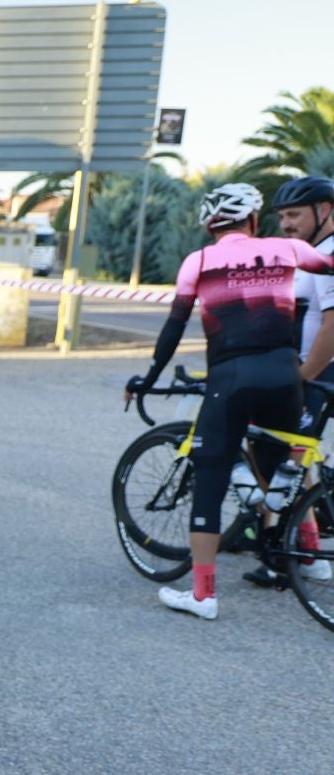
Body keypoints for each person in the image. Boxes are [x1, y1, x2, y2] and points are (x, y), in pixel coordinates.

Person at [126, 183, 334, 619]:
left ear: (209, 223)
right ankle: (304, 553)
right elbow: (330, 265)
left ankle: (203, 596)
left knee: (212, 475)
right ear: (253, 220)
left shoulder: (198, 261)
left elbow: (174, 327)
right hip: (285, 377)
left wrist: (148, 378)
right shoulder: (284, 249)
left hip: (231, 377)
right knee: (283, 463)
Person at [255, 174, 334, 588]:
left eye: (294, 214)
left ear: (325, 211)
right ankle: (295, 548)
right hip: (300, 369)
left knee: (281, 458)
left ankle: (300, 555)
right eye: (282, 215)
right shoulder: (312, 252)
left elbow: (332, 330)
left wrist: (301, 381)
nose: (285, 223)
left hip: (316, 373)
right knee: (292, 462)